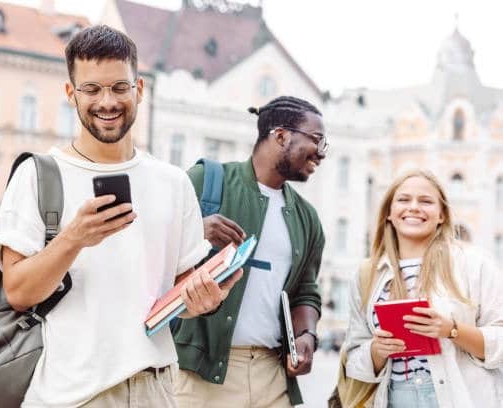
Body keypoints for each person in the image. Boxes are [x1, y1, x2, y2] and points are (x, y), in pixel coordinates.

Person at [0, 25, 241, 408]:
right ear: (71, 94)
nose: (106, 101)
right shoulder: (38, 176)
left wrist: (206, 300)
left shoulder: (173, 183)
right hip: (71, 395)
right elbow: (19, 293)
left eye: (119, 87)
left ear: (139, 89)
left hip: (154, 390)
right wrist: (74, 237)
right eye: (91, 89)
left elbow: (180, 295)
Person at [173, 96, 328, 407]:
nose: (323, 152)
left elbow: (306, 292)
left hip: (272, 376)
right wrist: (196, 229)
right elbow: (151, 243)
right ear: (281, 135)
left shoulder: (307, 217)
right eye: (317, 139)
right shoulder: (206, 181)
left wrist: (307, 336)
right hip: (200, 376)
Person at [344, 169, 503, 407]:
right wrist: (377, 351)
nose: (414, 207)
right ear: (389, 212)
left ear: (441, 215)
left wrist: (451, 330)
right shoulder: (368, 273)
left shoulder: (475, 264)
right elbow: (353, 357)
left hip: (460, 397)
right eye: (404, 200)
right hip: (395, 397)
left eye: (426, 201)